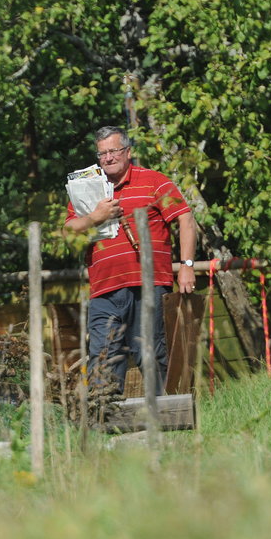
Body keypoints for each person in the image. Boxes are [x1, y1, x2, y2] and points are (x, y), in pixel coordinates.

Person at [64, 125, 196, 396]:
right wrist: (95, 218)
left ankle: (161, 422)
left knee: (151, 354)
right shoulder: (86, 189)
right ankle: (106, 426)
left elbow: (185, 218)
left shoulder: (154, 181)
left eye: (113, 151)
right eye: (102, 153)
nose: (108, 158)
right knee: (102, 360)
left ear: (128, 152)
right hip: (103, 289)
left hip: (147, 286)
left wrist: (187, 265)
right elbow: (68, 231)